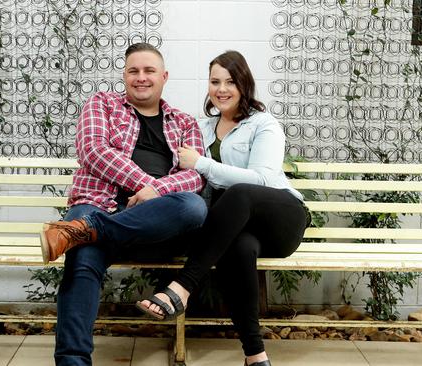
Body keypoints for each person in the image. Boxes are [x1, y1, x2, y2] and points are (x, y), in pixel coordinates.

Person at [136, 50, 311, 366]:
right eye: (215, 81)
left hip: (281, 218)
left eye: (230, 81)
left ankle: (182, 287)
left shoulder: (263, 124)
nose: (221, 89)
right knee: (239, 248)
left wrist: (202, 162)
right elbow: (193, 182)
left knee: (241, 192)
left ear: (244, 84)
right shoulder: (201, 128)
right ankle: (255, 356)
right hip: (240, 229)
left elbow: (265, 179)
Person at [40, 42, 208, 366]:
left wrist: (155, 192)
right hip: (97, 202)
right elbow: (93, 151)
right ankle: (73, 362)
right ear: (124, 75)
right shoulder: (102, 104)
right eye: (134, 71)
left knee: (193, 207)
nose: (141, 77)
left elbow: (196, 177)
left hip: (155, 224)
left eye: (149, 71)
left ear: (164, 77)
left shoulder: (184, 123)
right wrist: (145, 184)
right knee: (83, 257)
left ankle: (86, 230)